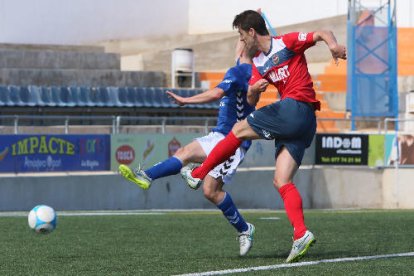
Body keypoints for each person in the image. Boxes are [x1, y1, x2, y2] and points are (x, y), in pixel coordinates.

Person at [182, 10, 347, 263]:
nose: (241, 40)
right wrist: (252, 91)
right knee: (281, 180)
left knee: (237, 130)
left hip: (296, 108)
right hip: (302, 124)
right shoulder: (258, 63)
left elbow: (322, 33)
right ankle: (301, 233)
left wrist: (333, 46)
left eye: (240, 34)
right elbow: (252, 99)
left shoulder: (287, 42)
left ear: (251, 32)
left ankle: (198, 173)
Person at [119, 41, 259, 256]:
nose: (237, 41)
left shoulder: (243, 71)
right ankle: (146, 176)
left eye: (240, 36)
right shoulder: (243, 68)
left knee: (211, 191)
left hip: (234, 141)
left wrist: (186, 100)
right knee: (186, 157)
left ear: (246, 44)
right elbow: (241, 53)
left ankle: (244, 229)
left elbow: (214, 94)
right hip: (219, 135)